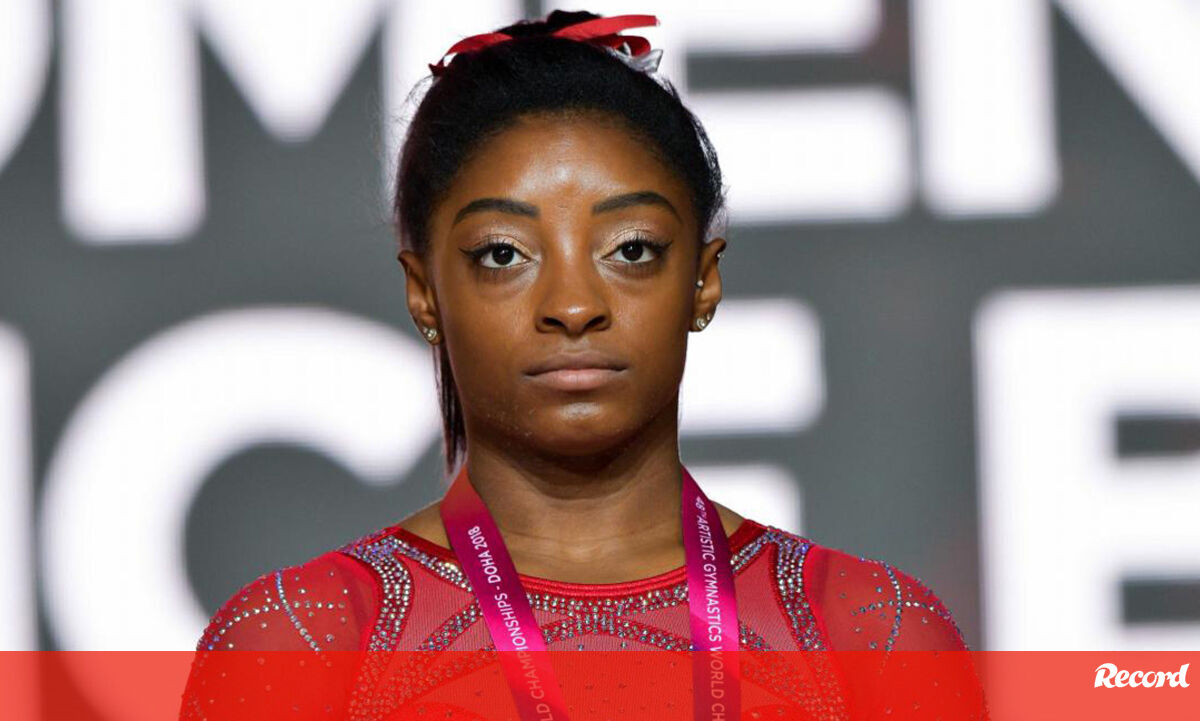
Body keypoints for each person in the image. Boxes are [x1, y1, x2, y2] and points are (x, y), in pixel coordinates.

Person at [179, 10, 975, 720]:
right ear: (424, 293)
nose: (572, 304)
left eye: (631, 249)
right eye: (503, 254)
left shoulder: (872, 635)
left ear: (703, 279)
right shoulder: (301, 644)